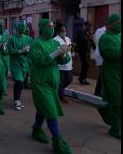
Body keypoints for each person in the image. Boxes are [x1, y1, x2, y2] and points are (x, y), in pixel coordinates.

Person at [29, 19, 73, 154]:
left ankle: (36, 129)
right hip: (40, 82)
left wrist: (64, 53)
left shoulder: (55, 42)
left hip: (53, 81)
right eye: (49, 26)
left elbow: (63, 61)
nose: (52, 29)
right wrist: (55, 53)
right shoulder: (36, 44)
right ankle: (57, 140)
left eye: (53, 26)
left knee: (43, 108)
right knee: (51, 110)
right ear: (42, 28)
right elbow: (39, 61)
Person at [97, 14, 121, 140]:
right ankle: (116, 129)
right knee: (117, 100)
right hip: (112, 73)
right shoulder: (105, 38)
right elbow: (111, 54)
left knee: (116, 100)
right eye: (118, 22)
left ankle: (105, 109)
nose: (120, 24)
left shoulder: (119, 35)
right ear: (111, 24)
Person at [8, 22, 31, 110]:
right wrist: (21, 51)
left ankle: (17, 99)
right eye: (22, 26)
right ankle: (16, 100)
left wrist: (28, 51)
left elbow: (30, 50)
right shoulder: (12, 39)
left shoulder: (28, 38)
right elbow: (10, 51)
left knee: (21, 83)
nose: (24, 28)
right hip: (15, 64)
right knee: (19, 80)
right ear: (18, 28)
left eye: (25, 26)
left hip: (24, 64)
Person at [53, 24, 74, 104]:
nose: (64, 32)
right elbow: (58, 51)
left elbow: (70, 49)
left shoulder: (68, 38)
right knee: (61, 82)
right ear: (58, 32)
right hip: (60, 65)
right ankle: (61, 97)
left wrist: (71, 47)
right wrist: (65, 49)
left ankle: (58, 91)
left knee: (69, 80)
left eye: (65, 30)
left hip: (69, 63)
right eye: (62, 31)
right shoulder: (55, 40)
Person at [93, 24, 107, 96]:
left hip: (105, 55)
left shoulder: (110, 31)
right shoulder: (100, 31)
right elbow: (98, 42)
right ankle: (98, 91)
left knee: (104, 75)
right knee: (102, 75)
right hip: (101, 55)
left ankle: (100, 91)